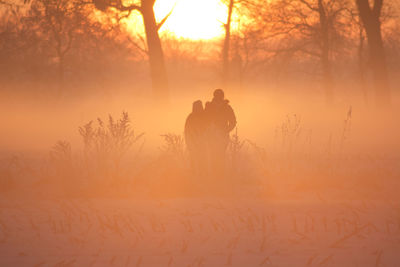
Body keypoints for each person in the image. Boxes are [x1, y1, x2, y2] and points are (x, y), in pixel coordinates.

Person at [204, 89, 236, 175]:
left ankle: (218, 175)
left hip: (221, 136)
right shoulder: (211, 107)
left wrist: (226, 130)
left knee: (217, 155)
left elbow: (233, 121)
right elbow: (233, 122)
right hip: (214, 135)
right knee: (216, 155)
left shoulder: (211, 107)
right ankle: (218, 175)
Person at [184, 100, 208, 175]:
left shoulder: (204, 116)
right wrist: (189, 143)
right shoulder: (191, 117)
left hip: (203, 142)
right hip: (194, 142)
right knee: (194, 160)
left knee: (202, 160)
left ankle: (202, 175)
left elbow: (208, 128)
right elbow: (187, 131)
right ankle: (195, 174)